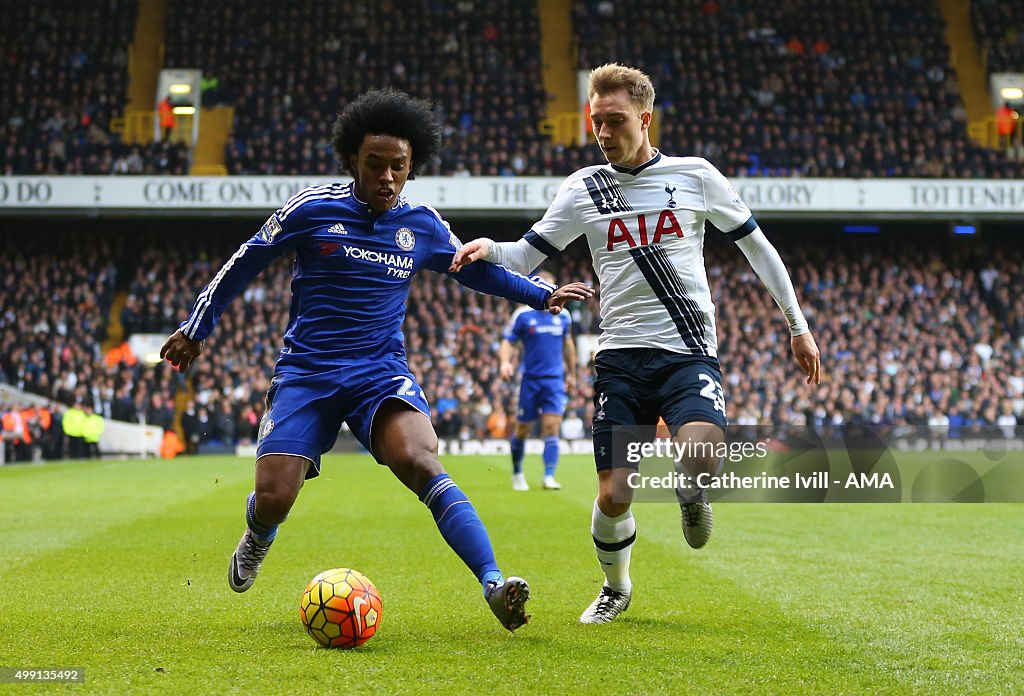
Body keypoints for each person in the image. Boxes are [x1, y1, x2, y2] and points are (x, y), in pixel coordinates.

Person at [160, 89, 593, 633]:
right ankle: (258, 532)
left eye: (399, 167)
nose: (388, 177)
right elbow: (247, 260)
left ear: (412, 167)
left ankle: (492, 583)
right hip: (308, 373)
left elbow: (472, 269)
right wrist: (196, 328)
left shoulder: (422, 224)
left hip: (379, 373)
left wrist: (538, 294)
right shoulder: (311, 209)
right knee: (275, 496)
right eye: (376, 165)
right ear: (352, 161)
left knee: (422, 461)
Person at [451, 64, 821, 624]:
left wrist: (797, 326)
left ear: (645, 118)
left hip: (687, 349)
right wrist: (488, 247)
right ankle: (616, 587)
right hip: (619, 359)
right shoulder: (583, 188)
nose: (603, 132)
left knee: (697, 454)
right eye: (596, 121)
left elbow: (759, 249)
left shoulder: (695, 176)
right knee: (615, 492)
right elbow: (527, 254)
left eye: (615, 120)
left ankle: (692, 496)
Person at [499, 270, 576, 491]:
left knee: (552, 427)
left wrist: (571, 373)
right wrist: (505, 362)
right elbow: (508, 342)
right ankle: (517, 472)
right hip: (530, 380)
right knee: (522, 429)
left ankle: (549, 476)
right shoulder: (523, 315)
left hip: (554, 380)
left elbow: (568, 345)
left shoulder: (563, 316)